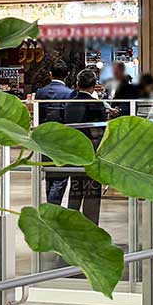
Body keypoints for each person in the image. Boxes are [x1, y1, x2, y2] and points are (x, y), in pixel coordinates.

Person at [47, 67, 111, 228]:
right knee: (92, 194)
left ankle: (72, 223)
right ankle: (91, 226)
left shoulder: (70, 104)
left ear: (77, 84)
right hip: (92, 155)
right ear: (94, 85)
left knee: (75, 191)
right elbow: (100, 132)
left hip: (74, 154)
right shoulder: (96, 105)